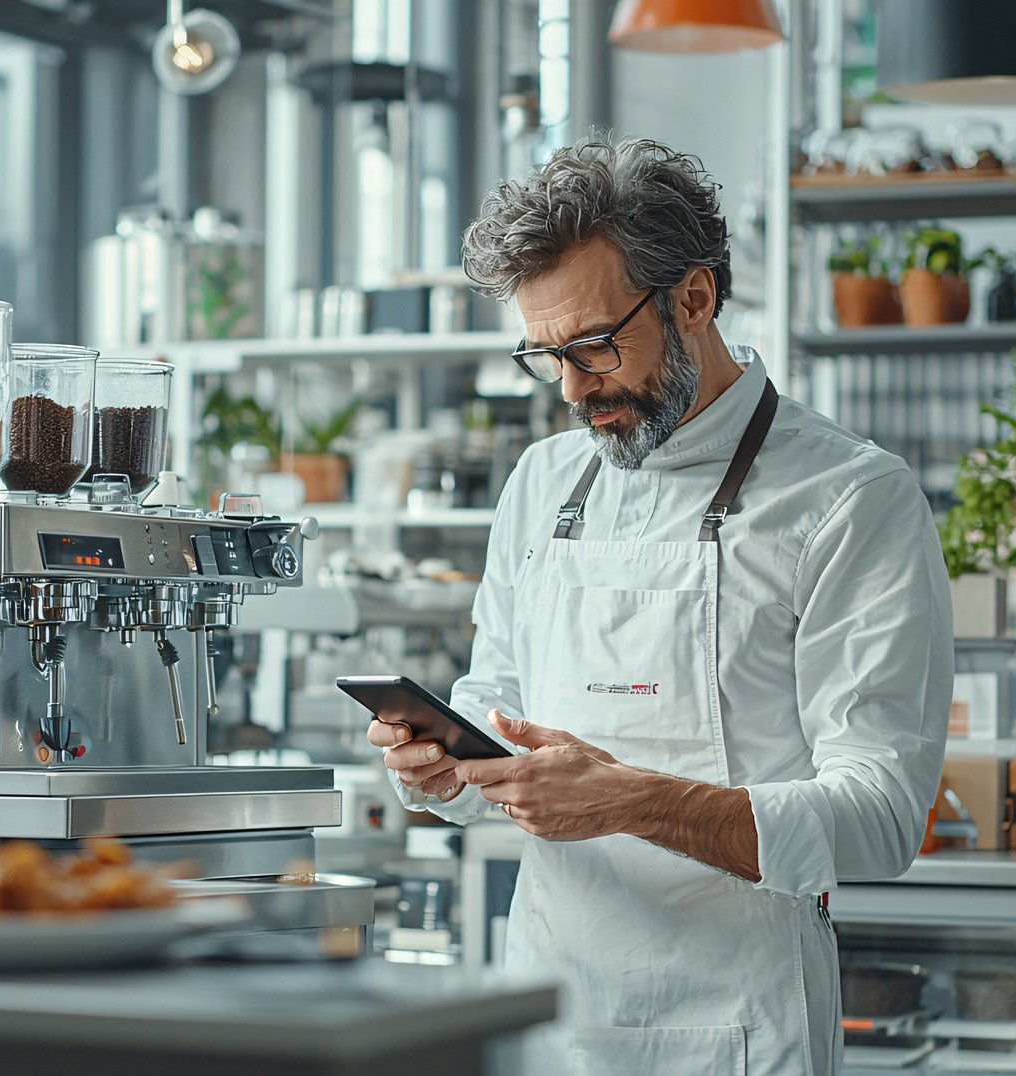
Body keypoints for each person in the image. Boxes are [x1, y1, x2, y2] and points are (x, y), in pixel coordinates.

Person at [365, 137, 952, 1076]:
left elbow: (880, 818)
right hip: (552, 1020)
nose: (571, 388)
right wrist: (442, 761)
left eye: (594, 345)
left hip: (741, 1030)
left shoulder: (850, 497)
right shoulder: (544, 480)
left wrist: (630, 802)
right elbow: (498, 698)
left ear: (694, 296)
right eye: (545, 354)